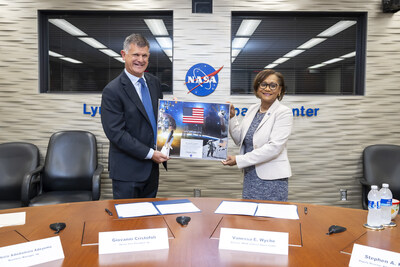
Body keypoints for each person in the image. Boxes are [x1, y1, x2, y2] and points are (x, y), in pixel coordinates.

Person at [101, 33, 169, 199]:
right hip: (127, 173)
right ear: (124, 55)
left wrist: (171, 111)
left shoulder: (154, 83)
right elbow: (116, 133)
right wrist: (150, 153)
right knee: (128, 222)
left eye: (144, 55)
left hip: (152, 170)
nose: (141, 60)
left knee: (149, 219)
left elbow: (157, 120)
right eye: (136, 55)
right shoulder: (112, 90)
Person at [222, 69, 293, 201]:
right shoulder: (252, 109)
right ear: (257, 87)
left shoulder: (284, 112)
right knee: (250, 217)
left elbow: (274, 148)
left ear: (280, 90)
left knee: (271, 218)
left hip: (272, 180)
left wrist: (238, 160)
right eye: (263, 84)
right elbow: (240, 139)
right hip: (250, 176)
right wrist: (232, 117)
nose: (267, 88)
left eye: (273, 85)